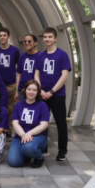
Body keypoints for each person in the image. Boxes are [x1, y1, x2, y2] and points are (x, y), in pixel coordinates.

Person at [34, 27, 71, 161]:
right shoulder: (40, 56)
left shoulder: (62, 55)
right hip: (42, 94)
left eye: (50, 37)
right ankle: (43, 148)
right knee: (42, 123)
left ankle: (62, 151)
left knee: (61, 123)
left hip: (58, 95)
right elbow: (36, 75)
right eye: (45, 37)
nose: (47, 39)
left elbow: (65, 76)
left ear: (55, 38)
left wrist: (51, 91)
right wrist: (41, 91)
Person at [8, 80, 50, 168]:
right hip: (20, 136)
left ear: (38, 92)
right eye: (29, 89)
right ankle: (27, 154)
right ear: (25, 90)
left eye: (34, 90)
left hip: (38, 136)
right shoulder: (18, 105)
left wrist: (29, 133)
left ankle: (39, 157)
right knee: (14, 162)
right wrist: (24, 134)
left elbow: (44, 125)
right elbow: (15, 123)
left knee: (28, 148)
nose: (31, 92)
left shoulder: (43, 105)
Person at [0, 27, 21, 139]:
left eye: (4, 35)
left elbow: (19, 68)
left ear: (9, 37)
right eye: (0, 35)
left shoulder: (15, 50)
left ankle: (8, 130)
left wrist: (17, 87)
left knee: (10, 108)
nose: (2, 37)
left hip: (11, 83)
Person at [16, 33, 41, 102]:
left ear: (35, 43)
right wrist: (16, 91)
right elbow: (19, 75)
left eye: (29, 41)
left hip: (35, 90)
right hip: (22, 89)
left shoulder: (41, 56)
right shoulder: (22, 57)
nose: (26, 43)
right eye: (25, 41)